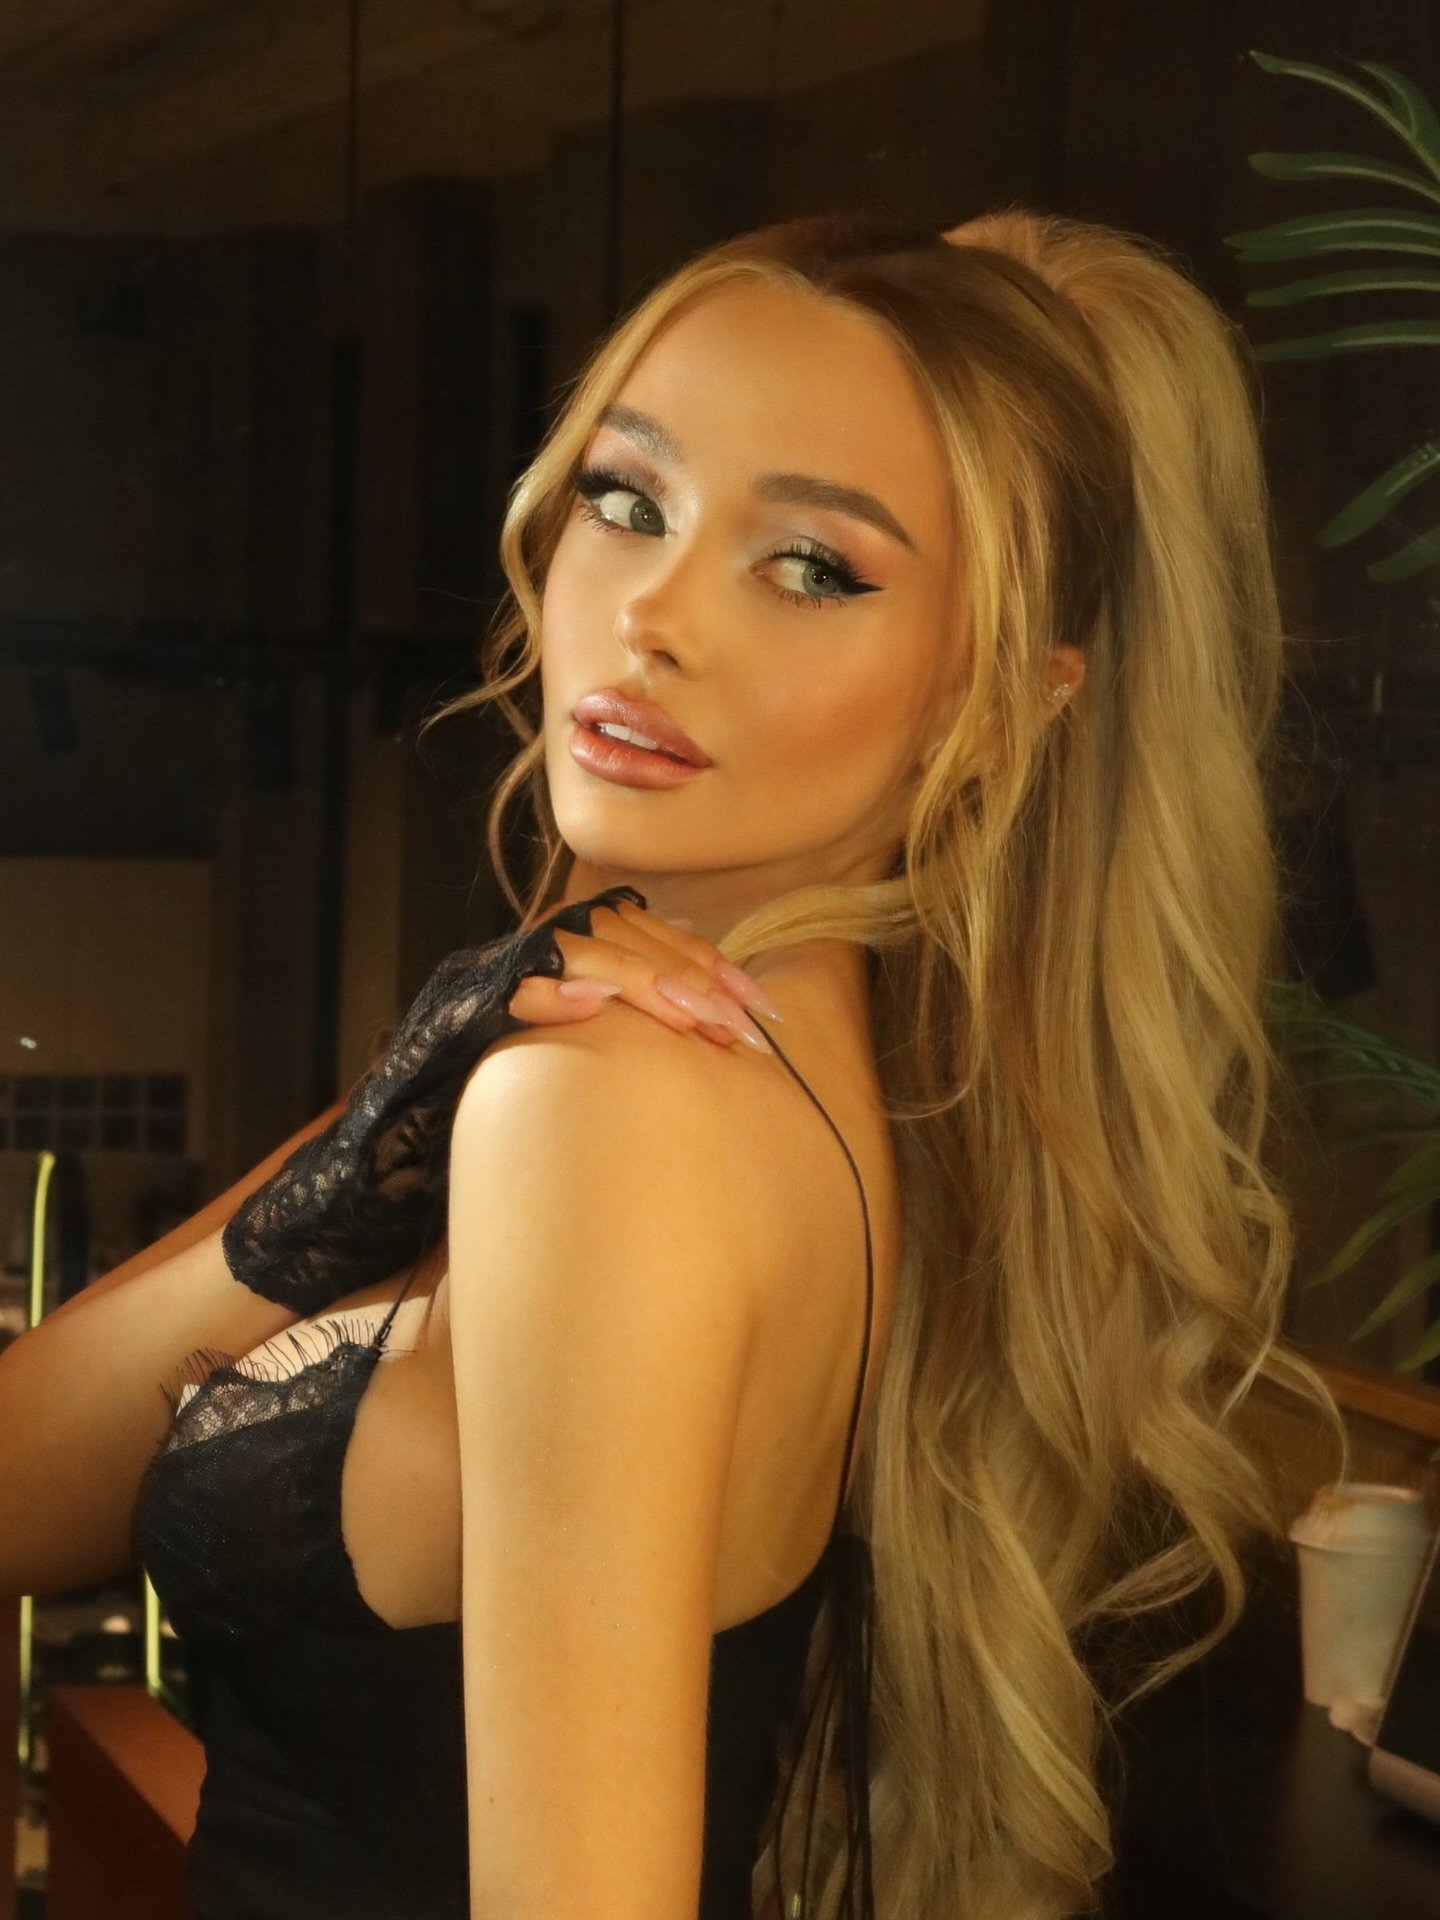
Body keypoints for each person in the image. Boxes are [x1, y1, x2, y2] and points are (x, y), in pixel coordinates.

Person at [0, 206, 1348, 1920]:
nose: (652, 614)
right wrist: (377, 1140)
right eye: (629, 500)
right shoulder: (770, 1089)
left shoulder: (605, 1109)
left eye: (813, 568)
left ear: (1008, 698)